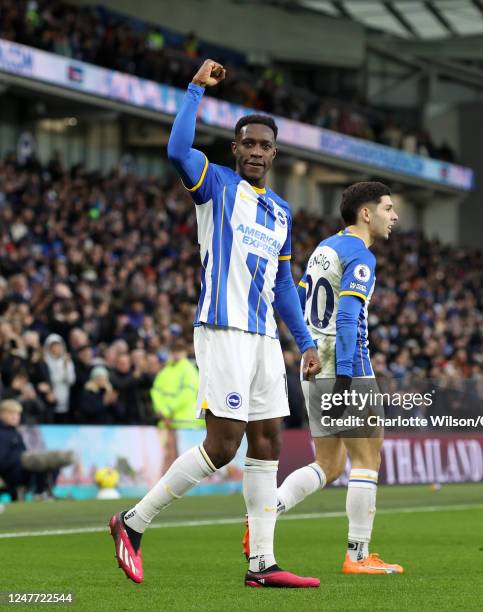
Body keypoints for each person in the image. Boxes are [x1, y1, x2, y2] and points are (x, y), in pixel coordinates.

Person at [109, 59, 321, 588]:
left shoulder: (281, 212)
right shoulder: (214, 184)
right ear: (235, 149)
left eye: (263, 145)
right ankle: (132, 523)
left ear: (274, 153)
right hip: (223, 329)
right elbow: (178, 150)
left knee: (269, 439)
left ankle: (262, 565)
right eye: (246, 143)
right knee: (223, 444)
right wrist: (195, 91)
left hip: (265, 339)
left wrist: (306, 342)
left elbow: (284, 286)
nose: (254, 151)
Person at [243, 182, 403, 575]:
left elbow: (297, 302)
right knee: (367, 459)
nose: (394, 216)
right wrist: (347, 376)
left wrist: (306, 349)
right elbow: (348, 317)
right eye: (387, 208)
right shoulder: (359, 254)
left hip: (314, 366)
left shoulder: (324, 249)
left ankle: (263, 516)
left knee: (329, 465)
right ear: (366, 214)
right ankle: (358, 555)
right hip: (346, 366)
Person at [0, 399, 74, 500]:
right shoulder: (2, 434)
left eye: (17, 414)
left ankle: (45, 493)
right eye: (11, 413)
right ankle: (40, 494)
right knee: (39, 464)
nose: (15, 417)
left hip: (23, 470)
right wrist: (22, 460)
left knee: (52, 463)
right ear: (2, 414)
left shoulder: (15, 432)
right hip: (12, 474)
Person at [151, 339, 202, 474]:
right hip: (167, 421)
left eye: (179, 351)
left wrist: (167, 410)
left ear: (185, 353)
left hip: (184, 422)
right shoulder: (165, 370)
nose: (176, 354)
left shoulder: (189, 369)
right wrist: (161, 410)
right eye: (174, 351)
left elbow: (188, 393)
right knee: (167, 454)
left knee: (184, 457)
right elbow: (155, 391)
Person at [43, 334, 76, 423]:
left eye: (58, 346)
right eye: (53, 346)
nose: (56, 349)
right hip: (50, 400)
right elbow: (52, 379)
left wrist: (65, 367)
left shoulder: (67, 361)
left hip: (64, 398)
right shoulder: (45, 362)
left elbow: (71, 380)